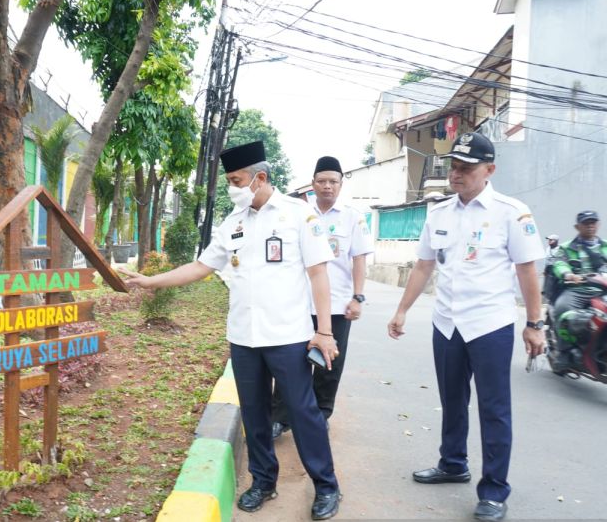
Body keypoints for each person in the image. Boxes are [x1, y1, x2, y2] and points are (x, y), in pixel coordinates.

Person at [120, 141, 342, 520]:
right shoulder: (232, 223)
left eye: (236, 180)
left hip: (287, 336)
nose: (232, 187)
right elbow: (200, 267)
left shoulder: (298, 215)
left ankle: (326, 486)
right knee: (255, 415)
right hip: (243, 338)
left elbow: (319, 274)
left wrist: (324, 332)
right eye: (229, 181)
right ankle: (263, 481)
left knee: (303, 413)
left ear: (260, 177)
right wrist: (150, 281)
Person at [386, 132, 545, 522]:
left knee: (494, 409)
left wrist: (534, 323)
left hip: (489, 324)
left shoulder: (511, 212)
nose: (457, 174)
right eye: (454, 167)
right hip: (447, 324)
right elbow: (424, 264)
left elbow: (527, 270)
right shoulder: (439, 213)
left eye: (466, 168)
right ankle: (453, 462)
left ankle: (493, 490)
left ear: (489, 170)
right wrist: (402, 309)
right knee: (452, 400)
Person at [271, 156, 374, 440]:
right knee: (291, 361)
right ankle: (280, 418)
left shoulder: (353, 217)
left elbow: (359, 261)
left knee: (330, 363)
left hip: (338, 304)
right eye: (322, 181)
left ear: (341, 185)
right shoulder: (299, 213)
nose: (327, 186)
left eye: (333, 182)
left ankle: (319, 414)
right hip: (299, 302)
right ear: (312, 184)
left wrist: (358, 297)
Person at [550, 211, 607, 368]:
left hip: (603, 290)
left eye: (593, 222)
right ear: (577, 226)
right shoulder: (567, 247)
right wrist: (568, 274)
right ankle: (564, 352)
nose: (590, 225)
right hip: (578, 290)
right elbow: (559, 263)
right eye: (586, 223)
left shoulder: (605, 246)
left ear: (598, 225)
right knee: (563, 309)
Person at [542, 234, 561, 301]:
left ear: (556, 241)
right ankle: (548, 297)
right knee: (547, 284)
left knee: (555, 284)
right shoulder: (548, 249)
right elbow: (546, 260)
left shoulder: (560, 249)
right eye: (548, 240)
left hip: (556, 269)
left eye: (551, 240)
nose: (549, 241)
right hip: (549, 269)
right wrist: (545, 269)